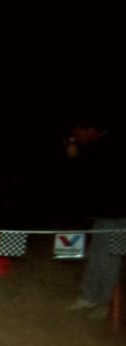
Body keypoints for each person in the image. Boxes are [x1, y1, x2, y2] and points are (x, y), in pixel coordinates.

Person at [64, 120, 123, 318]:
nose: (77, 139)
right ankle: (89, 296)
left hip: (119, 218)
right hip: (102, 216)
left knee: (111, 261)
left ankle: (105, 303)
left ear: (90, 131)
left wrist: (76, 157)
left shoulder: (109, 146)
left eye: (78, 134)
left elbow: (92, 172)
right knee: (95, 257)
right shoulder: (97, 148)